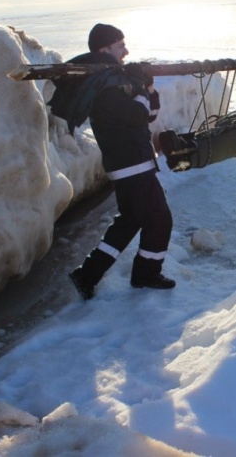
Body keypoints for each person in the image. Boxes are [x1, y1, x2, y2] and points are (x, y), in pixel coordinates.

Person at [66, 23, 176, 300]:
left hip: (131, 164)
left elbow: (148, 116)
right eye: (120, 46)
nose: (126, 51)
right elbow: (137, 116)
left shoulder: (112, 80)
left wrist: (148, 89)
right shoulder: (104, 88)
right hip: (131, 165)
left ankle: (87, 274)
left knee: (130, 221)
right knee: (160, 219)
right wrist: (139, 88)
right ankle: (145, 275)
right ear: (104, 49)